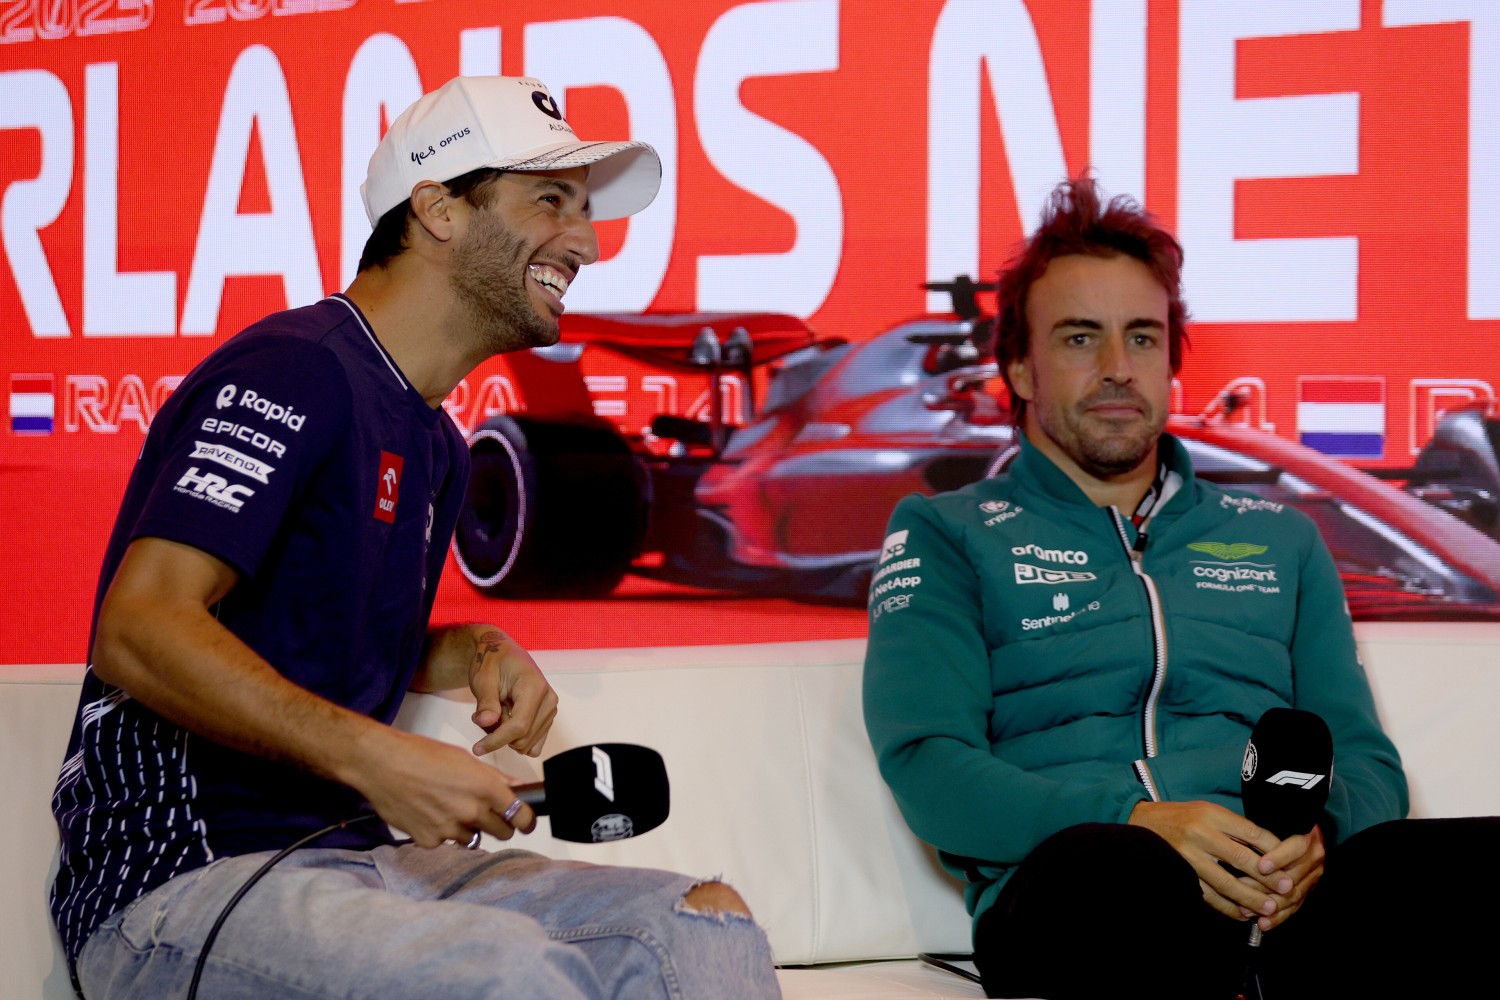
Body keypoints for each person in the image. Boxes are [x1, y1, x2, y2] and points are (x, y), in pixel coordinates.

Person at [51, 75, 781, 1000]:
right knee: (507, 973)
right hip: (179, 885)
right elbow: (139, 627)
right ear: (437, 208)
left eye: (587, 211)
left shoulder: (432, 437)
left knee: (700, 923)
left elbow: (306, 626)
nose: (588, 242)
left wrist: (469, 648)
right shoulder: (299, 369)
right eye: (550, 200)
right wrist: (380, 759)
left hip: (357, 863)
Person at [862, 176, 1495, 999]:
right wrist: (1139, 816)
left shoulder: (1282, 537)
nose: (1118, 369)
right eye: (1081, 339)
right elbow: (930, 766)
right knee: (1123, 876)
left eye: (1143, 338)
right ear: (1020, 367)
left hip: (1279, 886)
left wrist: (1319, 836)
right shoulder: (945, 530)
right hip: (1086, 882)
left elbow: (1365, 757)